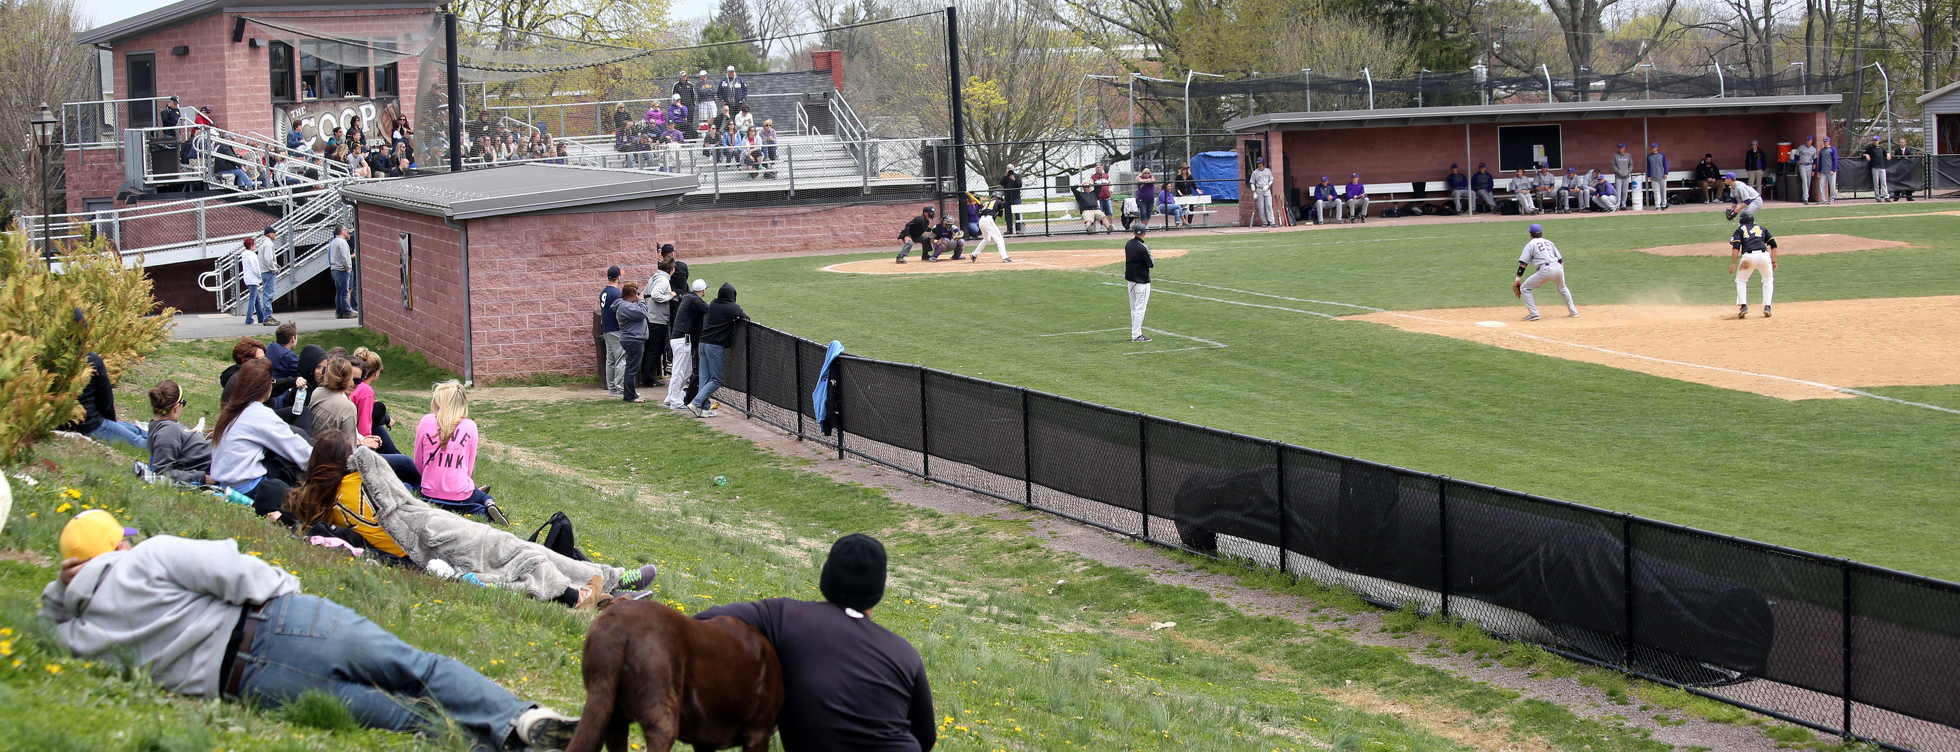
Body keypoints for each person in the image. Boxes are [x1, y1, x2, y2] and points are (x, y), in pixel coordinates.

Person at [40, 510, 583, 752]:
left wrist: (67, 585)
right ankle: (521, 720)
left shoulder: (83, 633)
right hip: (279, 622)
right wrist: (288, 588)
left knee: (408, 719)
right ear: (116, 545)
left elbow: (47, 622)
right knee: (417, 669)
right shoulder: (149, 555)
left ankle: (515, 750)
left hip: (249, 686)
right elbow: (234, 571)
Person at [695, 534, 934, 752]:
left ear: (826, 578)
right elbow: (926, 738)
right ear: (879, 590)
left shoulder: (784, 617)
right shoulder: (905, 653)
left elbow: (704, 622)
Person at [209, 361, 311, 521]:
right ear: (267, 387)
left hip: (225, 483)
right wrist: (327, 466)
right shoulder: (259, 414)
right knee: (286, 458)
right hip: (248, 488)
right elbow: (298, 449)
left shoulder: (232, 410)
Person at [413, 380, 507, 521]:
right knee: (482, 497)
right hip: (460, 493)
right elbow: (469, 468)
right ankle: (487, 505)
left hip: (429, 493)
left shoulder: (426, 421)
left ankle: (472, 506)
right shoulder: (470, 426)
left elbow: (418, 462)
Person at [59, 352, 147, 449]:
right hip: (88, 425)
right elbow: (105, 399)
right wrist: (110, 421)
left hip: (70, 422)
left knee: (137, 431)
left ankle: (156, 435)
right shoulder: (92, 360)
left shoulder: (52, 359)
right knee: (140, 443)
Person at [691, 283, 748, 418]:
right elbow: (746, 318)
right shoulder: (733, 307)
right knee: (716, 379)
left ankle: (703, 408)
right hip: (715, 346)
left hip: (703, 343)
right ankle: (696, 402)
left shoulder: (714, 303)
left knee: (705, 378)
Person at [141, 380, 211, 485]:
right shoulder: (168, 432)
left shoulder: (161, 426)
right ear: (176, 408)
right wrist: (203, 478)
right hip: (220, 462)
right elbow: (163, 472)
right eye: (183, 403)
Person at [1515, 224, 1577, 321]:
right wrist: (1560, 273)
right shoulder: (1549, 242)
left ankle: (1534, 313)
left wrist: (1517, 279)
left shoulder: (1531, 244)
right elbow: (1561, 260)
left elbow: (1523, 264)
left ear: (1531, 234)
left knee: (1524, 288)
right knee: (1562, 287)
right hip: (1558, 267)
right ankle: (1573, 312)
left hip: (1546, 269)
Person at [666, 278, 708, 411]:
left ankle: (671, 397)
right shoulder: (693, 299)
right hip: (681, 340)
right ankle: (674, 400)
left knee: (687, 370)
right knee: (678, 371)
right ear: (703, 290)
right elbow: (707, 308)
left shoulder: (688, 298)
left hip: (682, 340)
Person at [1730, 220, 1779, 319]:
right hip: (1764, 256)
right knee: (1768, 280)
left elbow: (1736, 246)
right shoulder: (1761, 228)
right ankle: (1767, 307)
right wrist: (1774, 261)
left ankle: (1744, 306)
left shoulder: (1740, 229)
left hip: (1749, 257)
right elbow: (1773, 244)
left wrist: (1733, 263)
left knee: (1741, 280)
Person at [641, 258, 675, 390]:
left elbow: (645, 294)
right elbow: (655, 295)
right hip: (657, 319)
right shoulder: (663, 280)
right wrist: (670, 296)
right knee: (655, 349)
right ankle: (648, 379)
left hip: (651, 317)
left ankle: (647, 376)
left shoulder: (654, 278)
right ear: (672, 269)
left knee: (651, 348)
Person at [613, 282, 649, 404]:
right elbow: (642, 313)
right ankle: (630, 396)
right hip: (633, 339)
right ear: (631, 294)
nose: (637, 296)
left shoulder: (625, 305)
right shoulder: (625, 306)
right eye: (635, 294)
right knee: (632, 369)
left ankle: (631, 394)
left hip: (632, 338)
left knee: (632, 368)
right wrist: (641, 301)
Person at [598, 266, 625, 395]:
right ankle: (620, 388)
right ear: (618, 277)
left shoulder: (604, 292)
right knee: (620, 358)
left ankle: (612, 387)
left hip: (606, 328)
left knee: (610, 359)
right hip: (615, 328)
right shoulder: (616, 293)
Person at [1125, 225, 1153, 343]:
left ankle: (1135, 333)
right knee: (1140, 309)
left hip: (1131, 280)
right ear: (1144, 234)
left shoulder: (1128, 244)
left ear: (1134, 233)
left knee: (1134, 309)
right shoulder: (1143, 248)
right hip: (1142, 281)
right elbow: (1151, 263)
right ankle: (1136, 334)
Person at [973, 193, 1012, 262]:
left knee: (987, 239)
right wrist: (994, 213)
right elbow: (1000, 215)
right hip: (988, 220)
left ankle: (974, 254)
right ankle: (1005, 257)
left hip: (981, 221)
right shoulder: (999, 202)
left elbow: (980, 213)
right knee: (999, 239)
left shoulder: (986, 203)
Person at [327, 225, 355, 318]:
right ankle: (347, 311)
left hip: (334, 269)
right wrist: (348, 268)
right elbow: (345, 257)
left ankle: (339, 311)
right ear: (342, 231)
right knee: (345, 292)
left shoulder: (334, 241)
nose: (347, 232)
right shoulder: (342, 242)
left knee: (339, 292)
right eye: (346, 230)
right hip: (342, 270)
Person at [239, 237, 268, 325]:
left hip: (248, 279)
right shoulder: (252, 255)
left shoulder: (245, 255)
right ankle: (249, 319)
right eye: (254, 244)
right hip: (253, 279)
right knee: (253, 299)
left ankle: (261, 318)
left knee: (256, 299)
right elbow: (256, 268)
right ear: (251, 245)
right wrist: (261, 275)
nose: (256, 245)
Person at [257, 227, 281, 325]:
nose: (275, 234)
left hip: (264, 271)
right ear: (270, 234)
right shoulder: (268, 244)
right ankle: (267, 318)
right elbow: (268, 259)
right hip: (268, 272)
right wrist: (274, 269)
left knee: (267, 295)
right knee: (269, 295)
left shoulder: (262, 243)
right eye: (274, 233)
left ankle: (267, 316)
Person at [1791, 135, 1820, 204]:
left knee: (1808, 182)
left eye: (1809, 140)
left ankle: (1806, 196)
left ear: (1811, 141)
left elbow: (1815, 160)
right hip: (1802, 165)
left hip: (1810, 165)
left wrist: (1813, 170)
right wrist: (1799, 164)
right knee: (1804, 181)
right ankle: (1805, 198)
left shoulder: (1813, 149)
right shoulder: (1801, 147)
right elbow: (1796, 156)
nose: (1807, 142)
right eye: (1807, 140)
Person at [1248, 158, 1275, 226]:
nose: (1259, 164)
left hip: (1267, 189)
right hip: (1259, 189)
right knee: (1261, 207)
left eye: (1260, 163)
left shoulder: (1268, 171)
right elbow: (1252, 183)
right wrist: (1254, 192)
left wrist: (1268, 185)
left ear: (1263, 163)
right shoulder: (1255, 172)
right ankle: (1264, 222)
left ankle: (1272, 222)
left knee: (1269, 205)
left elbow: (1272, 180)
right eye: (1258, 163)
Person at [1863, 136, 1888, 202]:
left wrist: (1888, 154)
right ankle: (1877, 197)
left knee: (1884, 182)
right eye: (1874, 140)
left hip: (1882, 167)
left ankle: (1886, 196)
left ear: (1879, 141)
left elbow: (1885, 154)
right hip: (1875, 167)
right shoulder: (1871, 148)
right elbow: (1863, 153)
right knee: (1876, 183)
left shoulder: (1881, 148)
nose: (1875, 142)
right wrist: (1866, 155)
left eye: (1876, 140)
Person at [999, 166, 1023, 233]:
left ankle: (1018, 229)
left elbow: (1019, 185)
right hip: (1007, 198)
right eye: (1008, 168)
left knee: (1017, 214)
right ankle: (1009, 229)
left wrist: (1014, 180)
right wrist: (1006, 175)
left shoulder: (1017, 176)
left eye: (1010, 168)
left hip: (1016, 198)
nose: (1009, 170)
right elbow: (1001, 183)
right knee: (1008, 214)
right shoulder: (1005, 177)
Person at [1646, 143, 1670, 210]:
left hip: (1662, 176)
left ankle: (1664, 204)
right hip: (1654, 177)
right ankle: (1657, 205)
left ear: (1657, 148)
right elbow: (1648, 167)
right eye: (1652, 147)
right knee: (1656, 192)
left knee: (1663, 191)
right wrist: (1649, 175)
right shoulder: (1649, 157)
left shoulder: (1662, 155)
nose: (1653, 148)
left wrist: (1666, 172)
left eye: (1654, 147)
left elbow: (1665, 164)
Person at [1891, 136, 1915, 201]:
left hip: (1907, 170)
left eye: (1902, 142)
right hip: (1899, 170)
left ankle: (1909, 197)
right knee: (1898, 183)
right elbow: (1896, 159)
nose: (1901, 143)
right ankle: (1896, 197)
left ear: (1905, 143)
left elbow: (1911, 160)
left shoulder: (1909, 151)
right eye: (1900, 142)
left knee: (1908, 183)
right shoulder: (1897, 151)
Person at [1610, 143, 1634, 207]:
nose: (1621, 149)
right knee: (1618, 191)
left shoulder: (1628, 155)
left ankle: (1623, 205)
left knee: (1625, 191)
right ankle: (1618, 204)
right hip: (1618, 177)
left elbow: (1631, 164)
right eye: (1620, 148)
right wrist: (1618, 171)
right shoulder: (1615, 156)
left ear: (1624, 148)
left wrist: (1628, 171)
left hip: (1626, 176)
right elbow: (1613, 165)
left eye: (1622, 148)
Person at [1819, 136, 1839, 205]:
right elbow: (1820, 161)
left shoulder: (1832, 149)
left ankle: (1832, 199)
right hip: (1823, 171)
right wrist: (1819, 170)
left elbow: (1835, 159)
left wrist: (1833, 169)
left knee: (1832, 185)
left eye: (1826, 141)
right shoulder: (1822, 150)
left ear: (1829, 142)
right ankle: (1823, 199)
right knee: (1821, 184)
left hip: (1830, 170)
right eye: (1824, 142)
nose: (1825, 143)